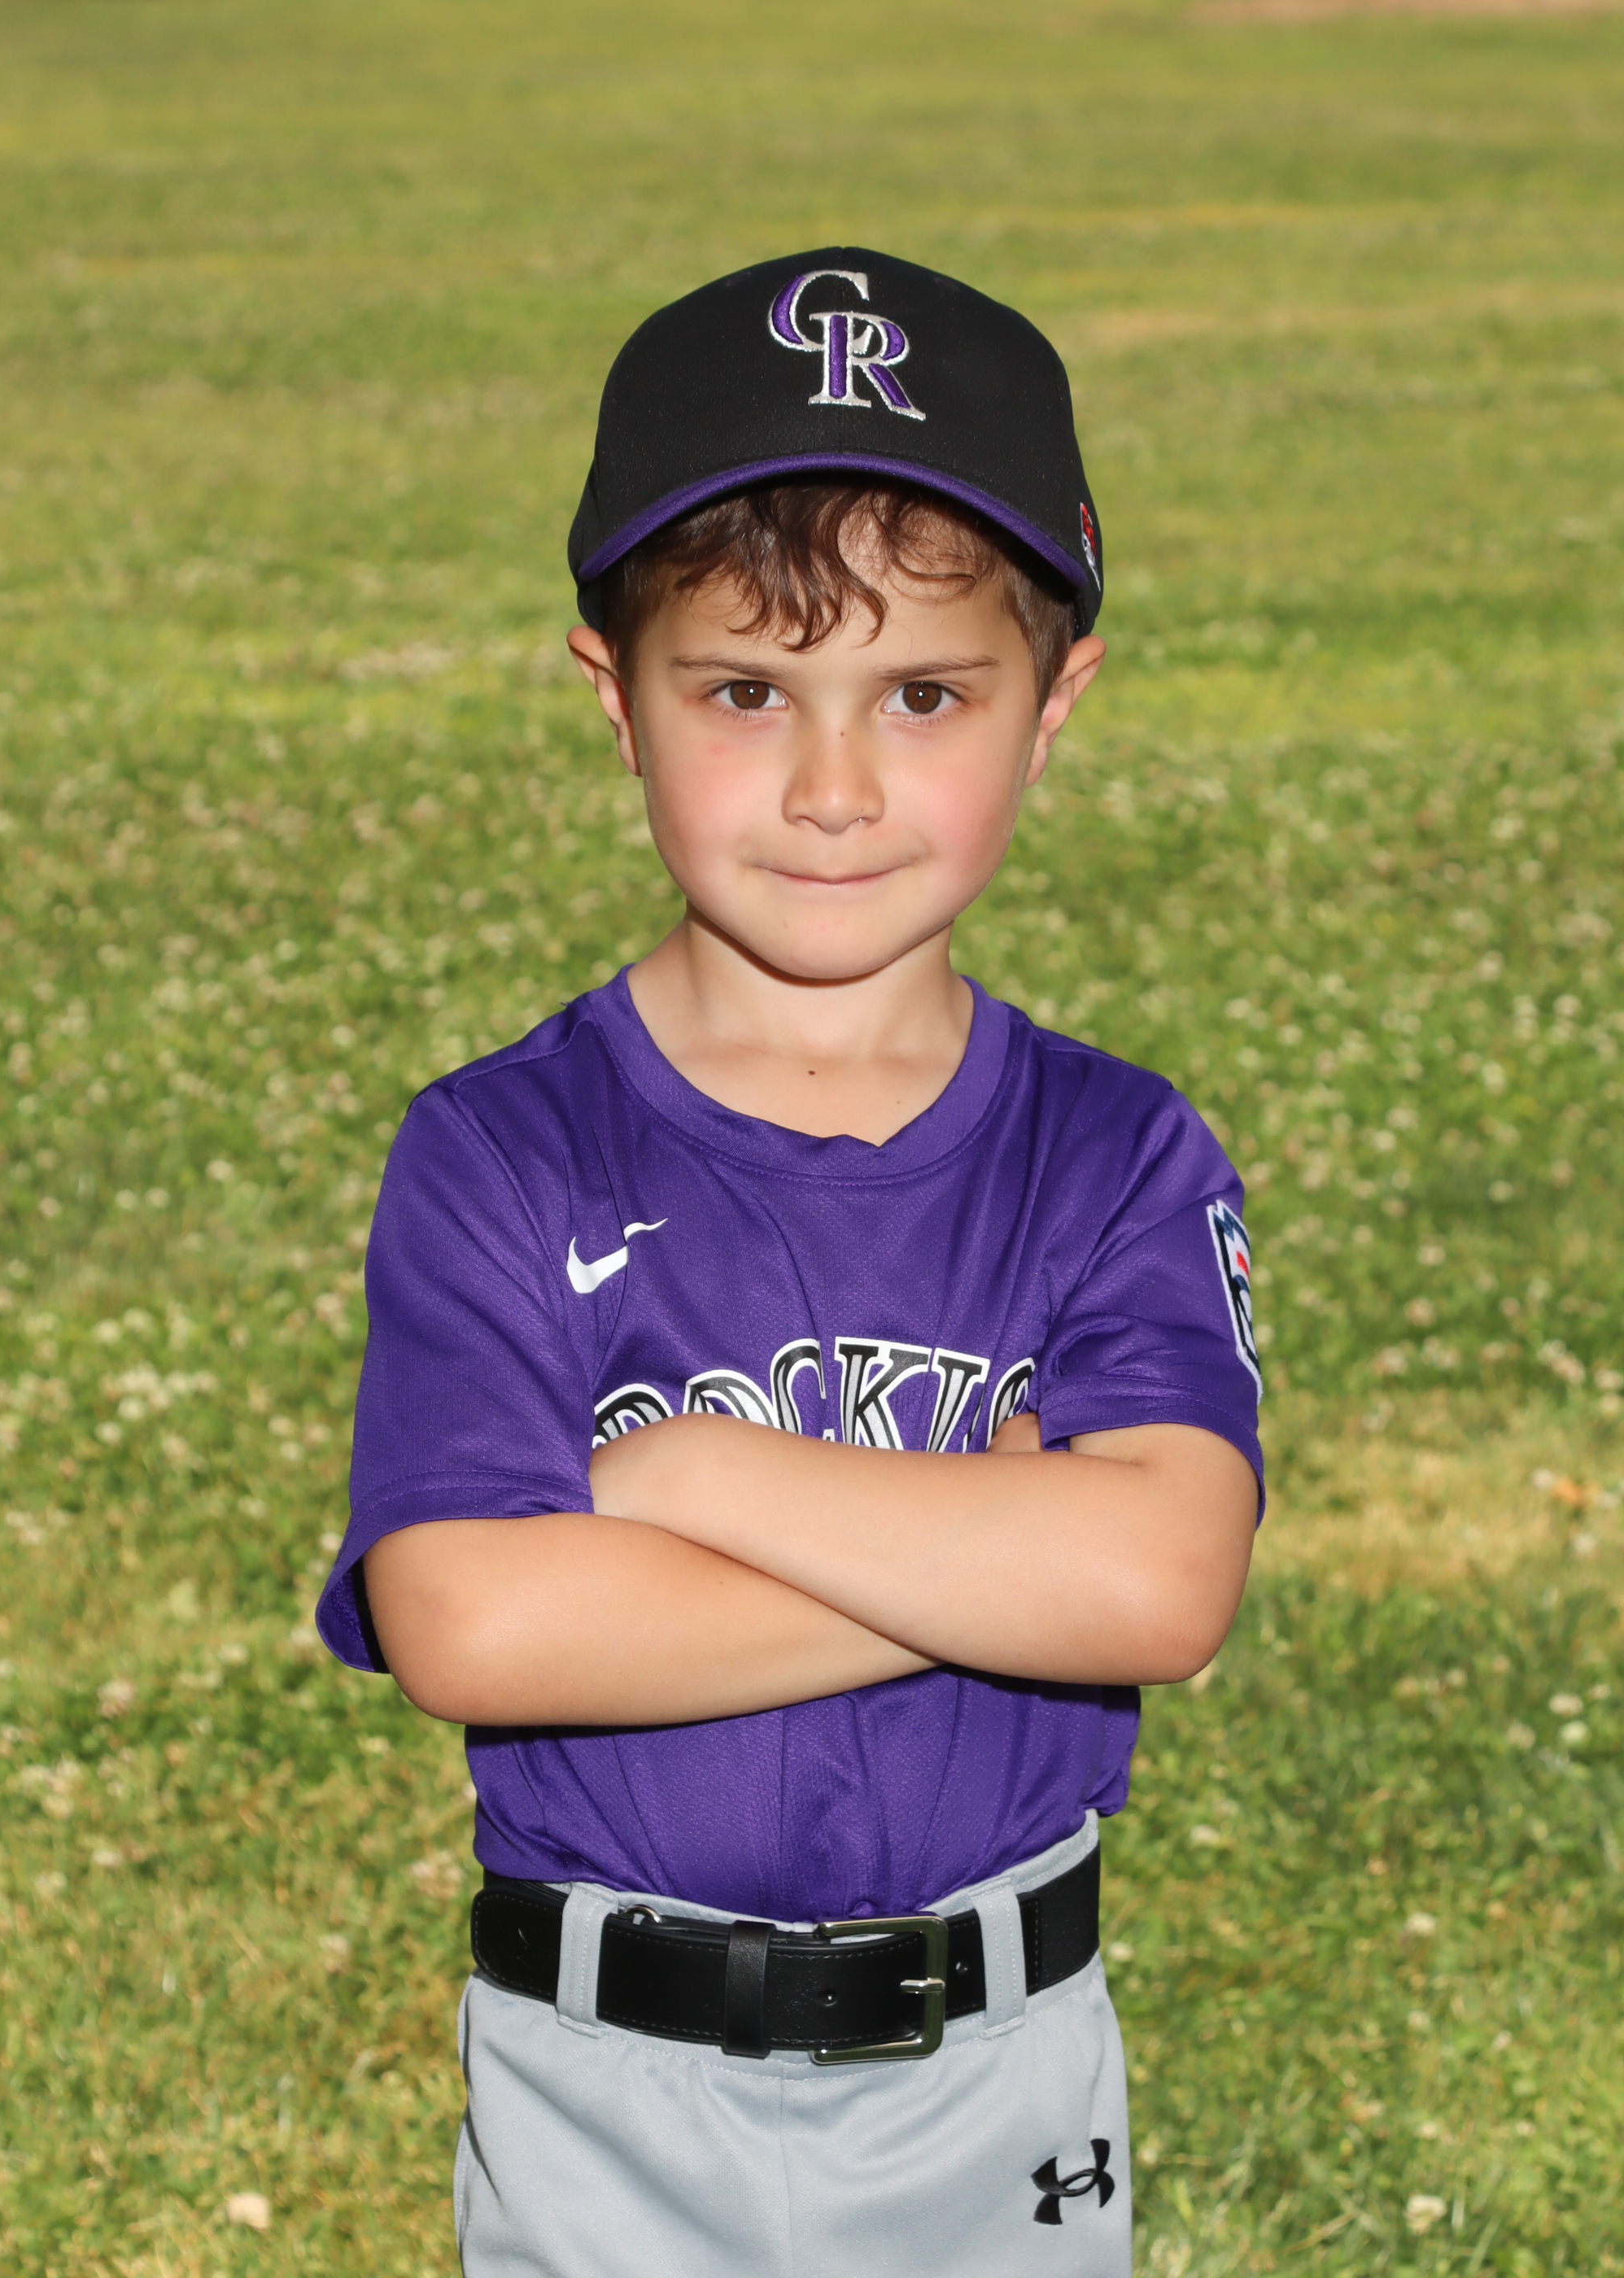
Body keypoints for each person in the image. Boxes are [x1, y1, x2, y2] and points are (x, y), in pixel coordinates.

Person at [317, 247, 1263, 2278]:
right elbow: (474, 1618)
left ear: (1054, 705)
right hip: (603, 2078)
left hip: (998, 2065)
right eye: (745, 692)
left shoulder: (1113, 1152)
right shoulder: (499, 1147)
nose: (833, 790)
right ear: (615, 696)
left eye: (925, 695)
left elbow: (1157, 1581)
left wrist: (690, 1473)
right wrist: (990, 1541)